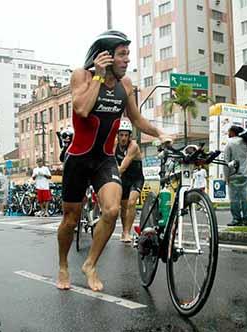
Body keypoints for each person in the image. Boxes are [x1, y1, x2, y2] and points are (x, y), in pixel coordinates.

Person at [57, 30, 171, 291]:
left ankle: (90, 264)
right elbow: (82, 109)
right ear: (106, 57)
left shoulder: (126, 85)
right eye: (122, 55)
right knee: (70, 219)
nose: (127, 60)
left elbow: (136, 119)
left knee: (110, 210)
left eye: (128, 55)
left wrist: (159, 132)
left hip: (104, 159)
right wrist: (97, 75)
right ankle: (63, 265)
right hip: (78, 158)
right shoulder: (81, 76)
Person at [114, 118, 144, 243]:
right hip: (124, 179)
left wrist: (112, 175)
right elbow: (110, 161)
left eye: (126, 135)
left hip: (136, 179)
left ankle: (127, 232)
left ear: (130, 136)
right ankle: (124, 230)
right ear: (118, 135)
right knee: (123, 207)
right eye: (121, 135)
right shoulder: (114, 145)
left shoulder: (133, 146)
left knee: (132, 203)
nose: (124, 138)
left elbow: (123, 167)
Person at [224, 125, 247, 226]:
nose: (228, 134)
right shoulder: (246, 142)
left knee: (234, 198)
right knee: (244, 197)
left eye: (228, 132)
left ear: (232, 132)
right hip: (245, 173)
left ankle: (236, 219)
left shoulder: (230, 143)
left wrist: (226, 176)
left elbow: (226, 162)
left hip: (233, 174)